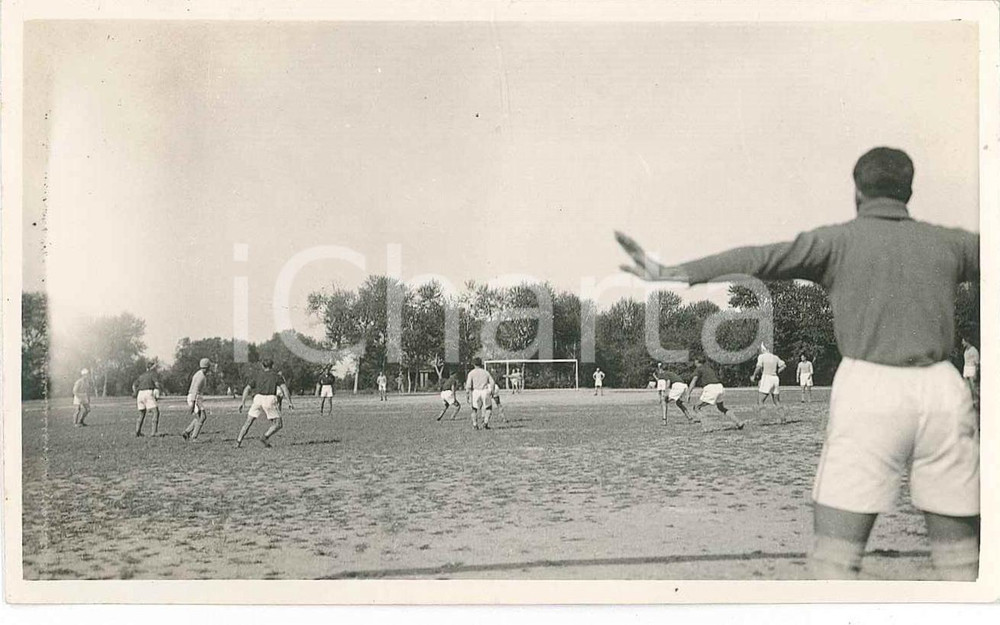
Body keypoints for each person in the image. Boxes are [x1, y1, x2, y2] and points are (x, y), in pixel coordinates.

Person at [617, 147, 980, 580]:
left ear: (857, 192)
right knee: (961, 564)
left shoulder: (837, 241)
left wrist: (672, 271)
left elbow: (757, 258)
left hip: (870, 388)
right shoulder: (951, 242)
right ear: (910, 190)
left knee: (835, 561)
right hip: (944, 389)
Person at [236, 358, 293, 448]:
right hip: (270, 398)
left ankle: (238, 442)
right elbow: (285, 389)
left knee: (248, 421)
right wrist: (289, 402)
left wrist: (243, 402)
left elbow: (247, 388)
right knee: (278, 424)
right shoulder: (276, 376)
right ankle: (265, 437)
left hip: (257, 398)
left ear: (263, 366)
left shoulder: (257, 375)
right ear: (272, 366)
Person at [685, 357, 744, 430]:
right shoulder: (709, 368)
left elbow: (693, 381)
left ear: (697, 361)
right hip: (720, 387)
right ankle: (739, 422)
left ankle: (707, 427)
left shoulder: (699, 368)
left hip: (711, 388)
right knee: (721, 407)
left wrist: (688, 394)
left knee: (696, 407)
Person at [751, 344, 787, 419]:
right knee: (776, 401)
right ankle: (783, 417)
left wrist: (754, 376)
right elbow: (783, 366)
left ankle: (764, 417)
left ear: (764, 349)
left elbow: (758, 367)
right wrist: (777, 371)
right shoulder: (775, 357)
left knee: (760, 400)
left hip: (766, 377)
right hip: (775, 378)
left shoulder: (762, 357)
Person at [181, 358, 212, 441]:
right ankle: (194, 437)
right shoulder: (201, 376)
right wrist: (193, 403)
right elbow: (195, 389)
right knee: (203, 417)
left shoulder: (198, 374)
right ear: (207, 366)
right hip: (195, 397)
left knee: (199, 418)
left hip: (194, 396)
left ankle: (187, 432)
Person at [132, 362, 162, 437]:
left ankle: (137, 431)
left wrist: (135, 392)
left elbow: (134, 385)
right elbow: (157, 384)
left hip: (140, 394)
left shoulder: (142, 375)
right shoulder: (153, 374)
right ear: (152, 367)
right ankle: (154, 432)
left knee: (142, 413)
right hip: (148, 392)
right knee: (156, 412)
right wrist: (159, 390)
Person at [465, 358, 496, 430]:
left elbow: (468, 385)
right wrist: (492, 391)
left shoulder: (471, 373)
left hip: (475, 391)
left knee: (474, 409)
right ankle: (485, 423)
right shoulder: (485, 372)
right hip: (484, 391)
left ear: (473, 364)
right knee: (488, 408)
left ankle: (475, 425)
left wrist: (467, 395)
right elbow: (492, 382)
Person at [961, 337, 979, 408]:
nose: (962, 343)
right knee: (966, 388)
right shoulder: (966, 350)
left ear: (967, 341)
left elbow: (977, 363)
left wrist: (976, 374)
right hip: (966, 370)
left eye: (963, 341)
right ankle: (969, 403)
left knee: (973, 387)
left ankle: (976, 402)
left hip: (972, 369)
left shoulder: (974, 350)